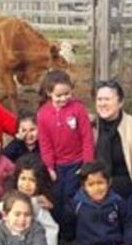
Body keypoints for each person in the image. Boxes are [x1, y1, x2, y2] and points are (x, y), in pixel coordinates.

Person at [37, 70, 94, 235]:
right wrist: (49, 167)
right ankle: (58, 230)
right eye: (59, 95)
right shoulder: (43, 114)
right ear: (49, 93)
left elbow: (87, 138)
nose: (64, 98)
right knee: (56, 196)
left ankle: (72, 231)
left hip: (76, 162)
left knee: (72, 194)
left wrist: (87, 163)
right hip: (58, 165)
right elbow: (45, 143)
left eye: (67, 94)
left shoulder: (78, 109)